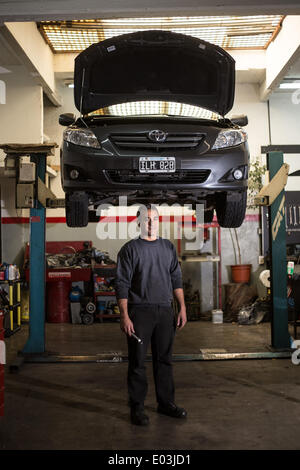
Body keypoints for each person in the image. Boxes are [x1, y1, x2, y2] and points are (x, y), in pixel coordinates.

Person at [115, 203, 187, 426]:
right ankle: (137, 407)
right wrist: (124, 315)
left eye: (154, 219)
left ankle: (166, 403)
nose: (150, 223)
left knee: (164, 360)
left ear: (159, 221)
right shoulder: (129, 250)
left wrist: (182, 306)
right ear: (138, 222)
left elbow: (176, 278)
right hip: (140, 312)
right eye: (146, 219)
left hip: (165, 311)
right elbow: (122, 284)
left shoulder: (167, 248)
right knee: (137, 361)